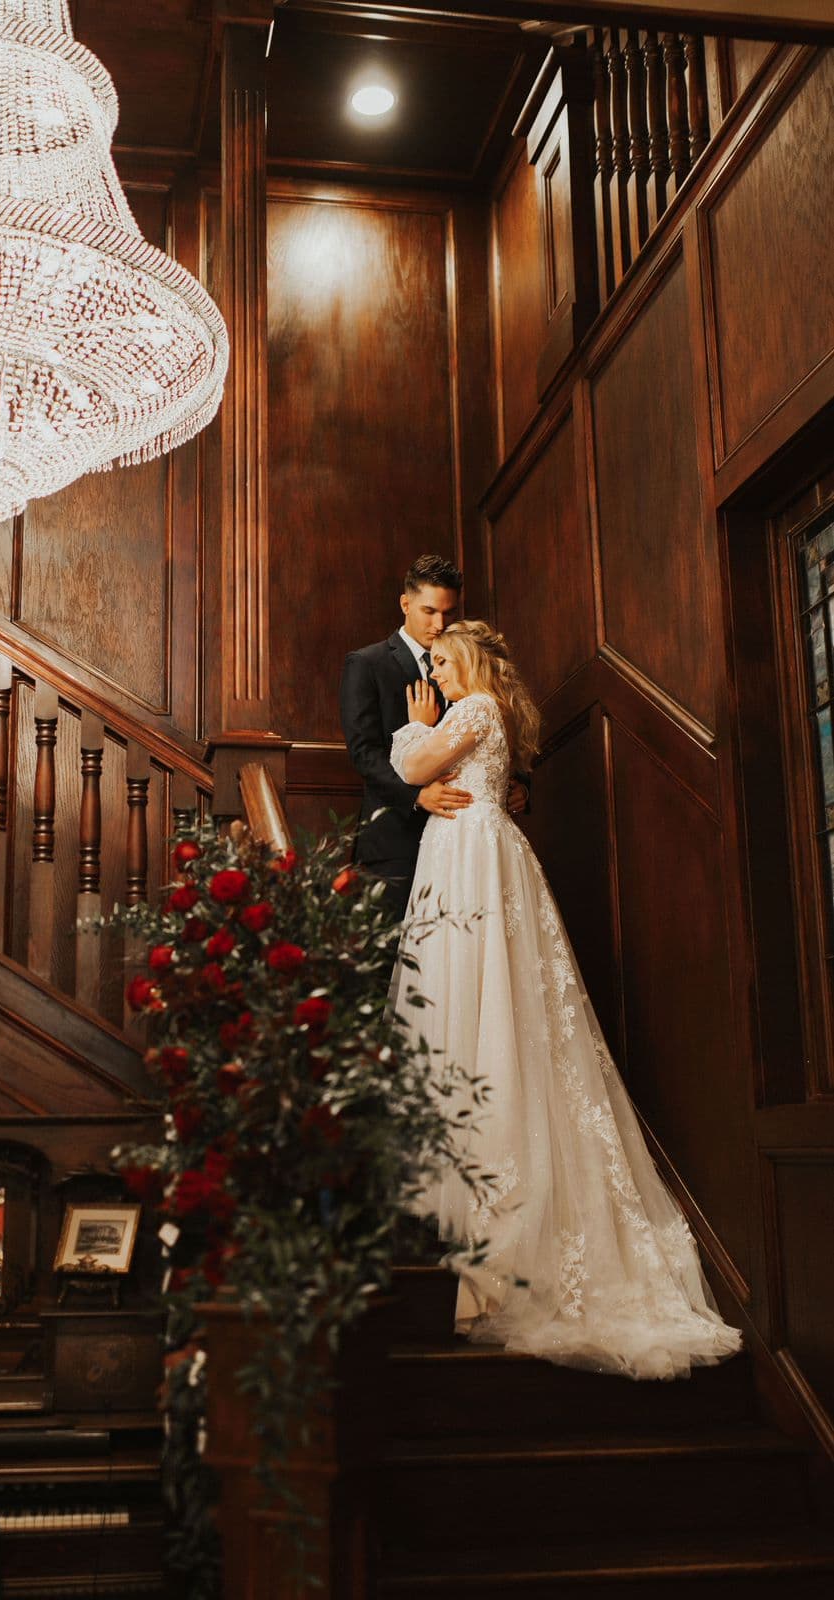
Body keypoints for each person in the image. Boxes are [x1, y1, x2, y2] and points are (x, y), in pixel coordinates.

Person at [389, 620, 741, 1379]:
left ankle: (502, 1247)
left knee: (491, 1012)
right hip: (467, 856)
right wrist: (423, 787)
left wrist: (414, 740)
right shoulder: (483, 712)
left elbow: (416, 758)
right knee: (470, 1011)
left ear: (473, 662)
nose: (438, 677)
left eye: (445, 664)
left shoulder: (473, 708)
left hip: (475, 860)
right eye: (435, 668)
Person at [340, 554, 526, 922]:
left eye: (448, 613)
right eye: (429, 611)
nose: (440, 624)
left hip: (469, 848)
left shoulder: (473, 663)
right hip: (397, 842)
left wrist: (517, 782)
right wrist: (417, 795)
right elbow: (365, 753)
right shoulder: (367, 664)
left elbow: (493, 733)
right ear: (405, 604)